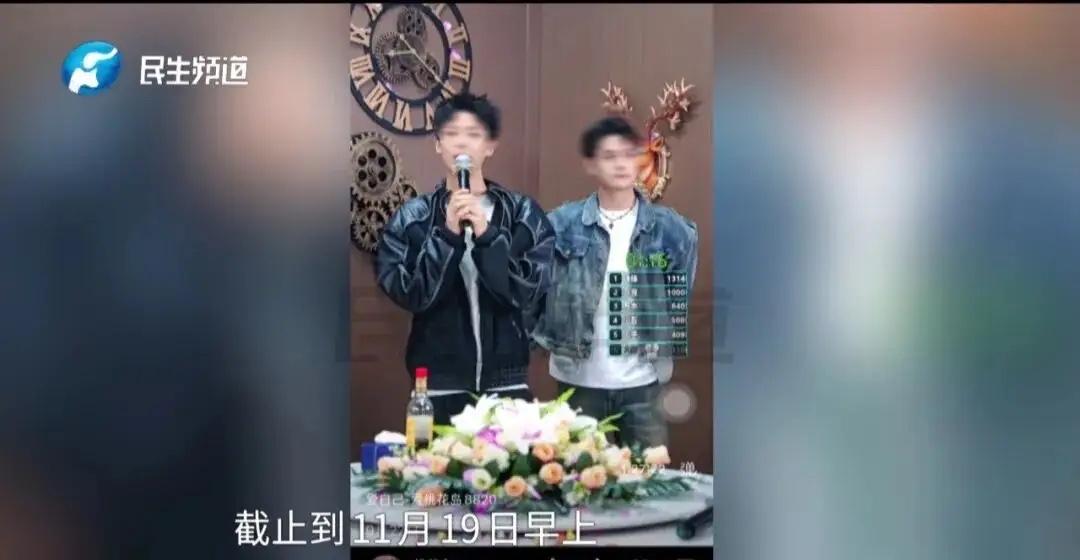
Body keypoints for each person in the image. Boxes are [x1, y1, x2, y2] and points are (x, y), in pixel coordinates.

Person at [376, 92, 555, 425]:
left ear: (490, 146)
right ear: (438, 144)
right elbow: (411, 294)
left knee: (510, 462)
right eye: (452, 133)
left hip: (507, 385)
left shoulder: (523, 214)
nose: (462, 143)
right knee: (432, 461)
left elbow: (528, 293)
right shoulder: (411, 218)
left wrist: (488, 236)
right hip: (437, 386)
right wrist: (447, 235)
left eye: (473, 134)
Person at [532, 116, 698, 448]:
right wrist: (547, 337)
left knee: (647, 474)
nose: (621, 164)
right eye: (610, 156)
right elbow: (536, 289)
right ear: (591, 164)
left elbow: (677, 295)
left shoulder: (672, 230)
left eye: (629, 155)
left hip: (643, 383)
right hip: (577, 379)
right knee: (577, 473)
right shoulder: (561, 224)